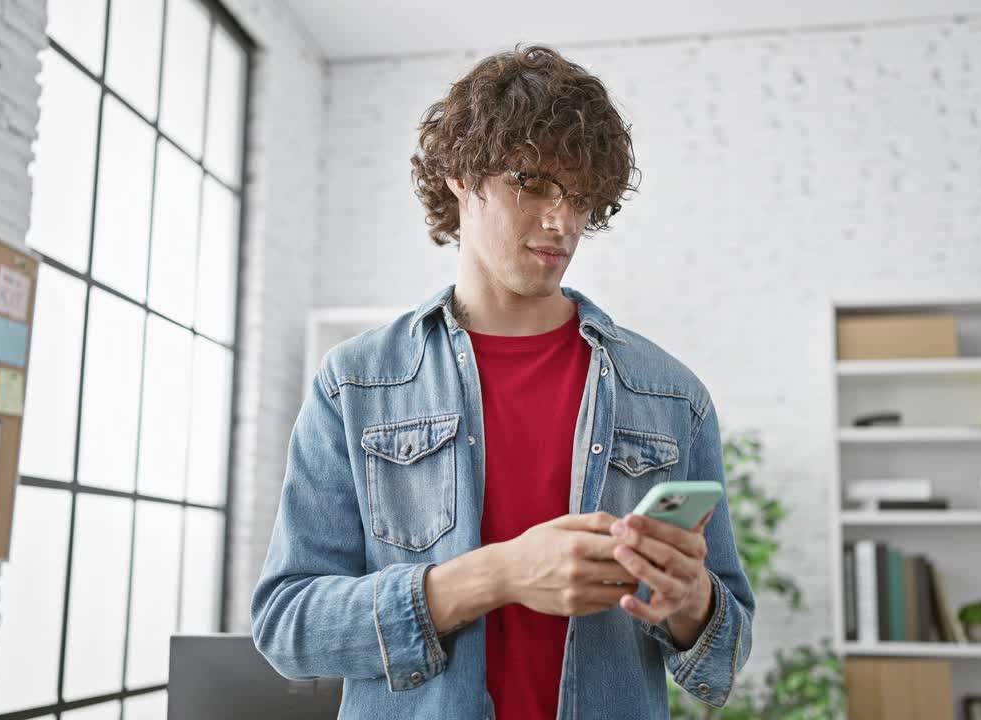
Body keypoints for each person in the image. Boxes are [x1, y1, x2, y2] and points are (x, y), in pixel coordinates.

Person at [252, 45, 755, 720]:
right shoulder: (356, 384)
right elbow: (288, 627)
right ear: (461, 174)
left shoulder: (671, 396)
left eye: (582, 199)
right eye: (533, 182)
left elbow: (723, 656)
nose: (563, 222)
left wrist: (690, 602)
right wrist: (501, 574)